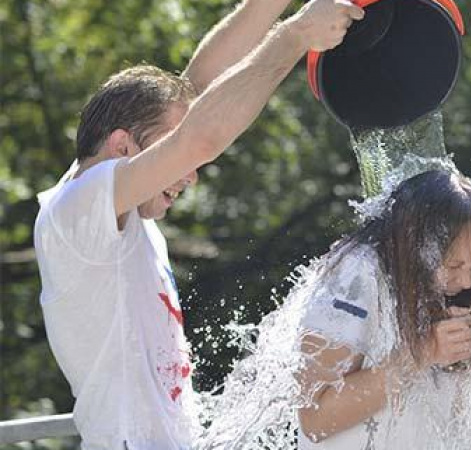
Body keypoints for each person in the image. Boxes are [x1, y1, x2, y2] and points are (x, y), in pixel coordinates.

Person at [32, 0, 364, 448]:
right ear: (122, 147)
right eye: (177, 159)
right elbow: (200, 137)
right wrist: (294, 37)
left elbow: (200, 88)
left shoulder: (117, 210)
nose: (190, 176)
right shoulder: (73, 211)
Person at [200, 169, 471, 449]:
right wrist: (422, 353)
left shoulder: (450, 290)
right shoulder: (355, 277)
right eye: (454, 265)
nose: (467, 283)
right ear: (415, 244)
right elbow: (315, 416)